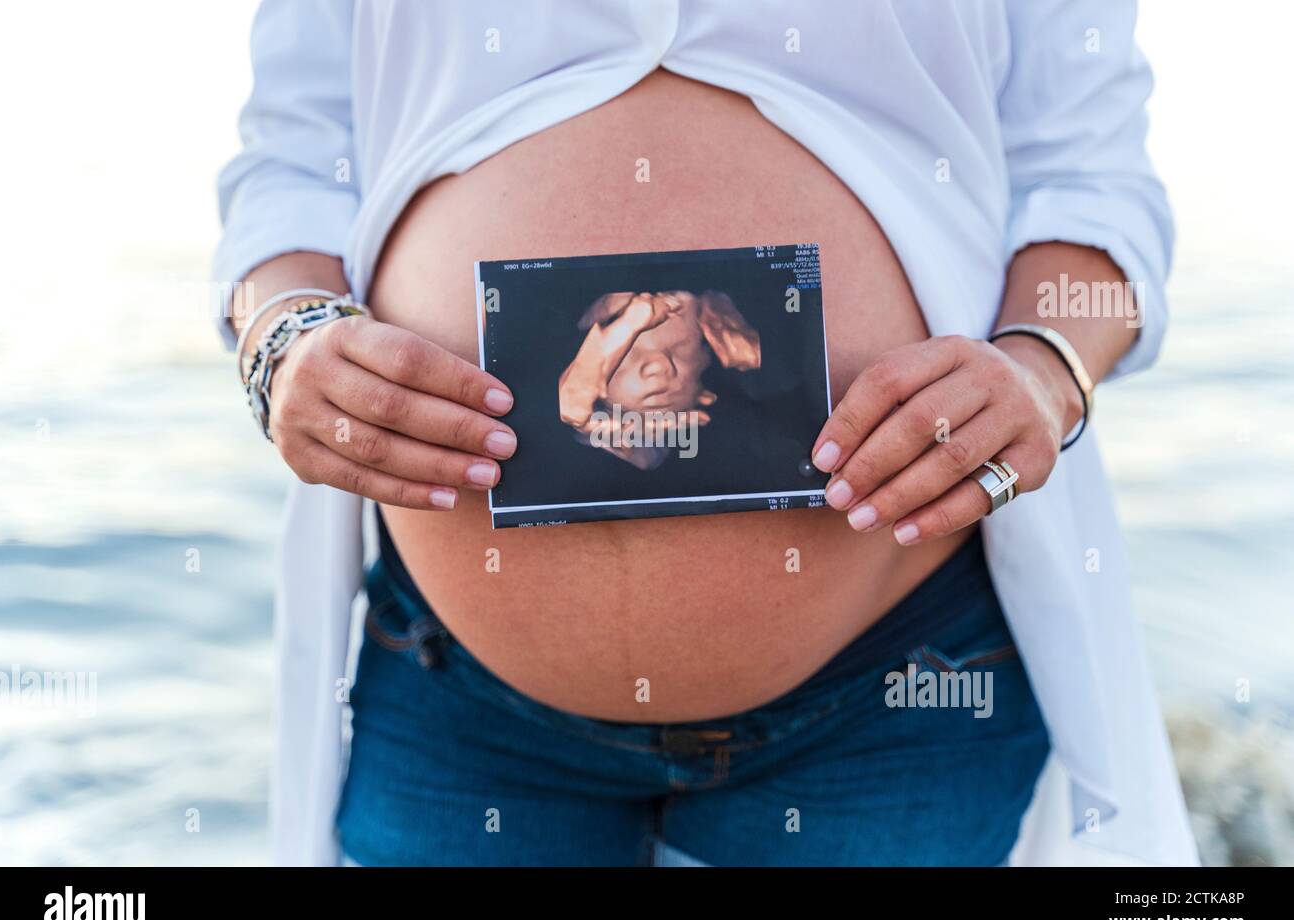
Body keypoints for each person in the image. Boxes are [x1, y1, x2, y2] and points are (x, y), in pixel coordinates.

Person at [215, 0, 1198, 866]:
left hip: (891, 691)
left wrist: (1041, 368)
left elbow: (1087, 176)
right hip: (462, 699)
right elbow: (293, 165)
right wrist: (283, 339)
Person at [558, 290, 760, 469]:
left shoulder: (738, 444)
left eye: (681, 350)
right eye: (628, 351)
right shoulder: (565, 455)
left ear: (706, 392)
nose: (659, 365)